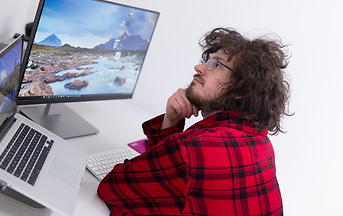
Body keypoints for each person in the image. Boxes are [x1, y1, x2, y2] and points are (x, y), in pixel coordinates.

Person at [97, 27, 291, 215]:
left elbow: (111, 189)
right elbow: (167, 185)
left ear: (241, 90)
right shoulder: (261, 144)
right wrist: (171, 121)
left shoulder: (192, 148)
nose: (198, 67)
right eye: (207, 60)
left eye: (216, 64)